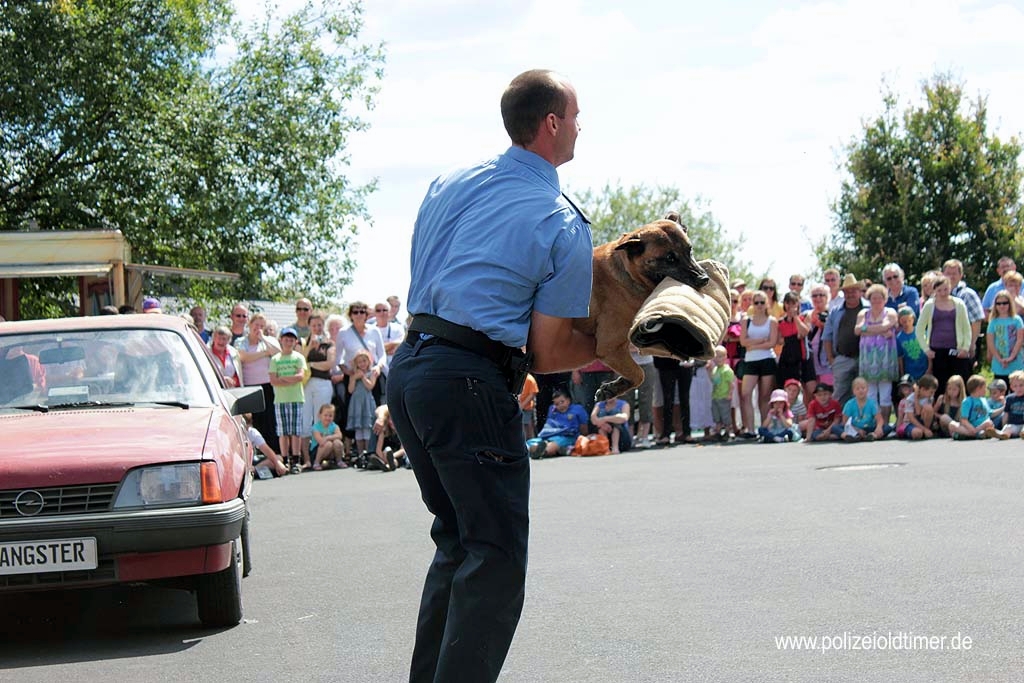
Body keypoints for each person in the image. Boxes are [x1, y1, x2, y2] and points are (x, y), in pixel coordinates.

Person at [385, 70, 594, 683]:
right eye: (577, 116)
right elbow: (550, 349)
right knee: (495, 559)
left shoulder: (448, 182)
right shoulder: (560, 218)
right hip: (467, 383)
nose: (582, 126)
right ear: (551, 124)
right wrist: (623, 340)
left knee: (458, 544)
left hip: (412, 368)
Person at [915, 275, 972, 395]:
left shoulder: (959, 304)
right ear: (934, 290)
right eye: (939, 290)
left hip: (956, 350)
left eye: (945, 289)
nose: (943, 293)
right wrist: (926, 349)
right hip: (937, 350)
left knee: (957, 383)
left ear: (950, 288)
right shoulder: (929, 305)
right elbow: (919, 329)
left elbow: (966, 328)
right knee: (940, 384)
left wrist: (965, 348)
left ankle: (958, 411)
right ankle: (940, 410)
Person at [234, 311, 281, 454]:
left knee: (269, 419)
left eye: (261, 325)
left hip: (267, 386)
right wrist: (264, 353)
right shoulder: (241, 342)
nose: (258, 328)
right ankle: (254, 452)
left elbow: (277, 352)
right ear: (250, 325)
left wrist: (263, 340)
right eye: (256, 325)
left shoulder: (269, 341)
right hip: (249, 386)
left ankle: (272, 452)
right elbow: (243, 357)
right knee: (253, 420)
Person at [854, 283, 899, 424]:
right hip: (868, 358)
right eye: (873, 298)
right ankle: (873, 423)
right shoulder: (863, 313)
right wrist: (880, 329)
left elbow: (887, 324)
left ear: (885, 299)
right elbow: (857, 330)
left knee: (885, 394)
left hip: (885, 358)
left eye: (880, 298)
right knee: (871, 394)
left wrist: (866, 329)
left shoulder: (890, 312)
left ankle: (884, 423)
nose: (876, 301)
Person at [823, 274, 866, 407]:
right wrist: (831, 358)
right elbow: (827, 336)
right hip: (842, 358)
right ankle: (838, 425)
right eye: (847, 291)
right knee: (839, 395)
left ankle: (862, 425)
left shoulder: (869, 308)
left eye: (853, 290)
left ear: (859, 291)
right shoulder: (835, 311)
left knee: (863, 393)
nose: (850, 294)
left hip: (865, 358)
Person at [269, 327, 307, 473]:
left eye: (291, 339)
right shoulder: (275, 359)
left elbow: (300, 376)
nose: (288, 342)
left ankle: (296, 460)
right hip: (280, 399)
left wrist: (283, 378)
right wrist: (288, 380)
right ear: (281, 340)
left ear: (295, 341)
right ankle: (284, 459)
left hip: (296, 398)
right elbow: (273, 380)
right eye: (286, 339)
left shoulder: (298, 357)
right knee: (283, 432)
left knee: (295, 431)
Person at [942, 259, 985, 364]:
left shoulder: (967, 294)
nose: (951, 277)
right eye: (948, 273)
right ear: (943, 275)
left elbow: (976, 321)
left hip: (962, 348)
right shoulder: (939, 295)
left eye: (954, 274)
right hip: (943, 347)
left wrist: (971, 345)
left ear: (961, 275)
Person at [528, 388, 591, 459]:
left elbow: (584, 428)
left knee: (554, 444)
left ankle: (543, 452)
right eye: (557, 404)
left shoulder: (578, 409)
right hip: (551, 435)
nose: (560, 405)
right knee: (530, 442)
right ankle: (536, 449)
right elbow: (549, 425)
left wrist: (581, 440)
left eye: (562, 402)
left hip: (568, 437)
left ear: (568, 400)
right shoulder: (552, 410)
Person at [945, 374, 1007, 439]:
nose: (986, 390)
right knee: (952, 425)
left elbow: (991, 414)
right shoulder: (967, 401)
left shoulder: (984, 400)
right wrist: (972, 429)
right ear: (978, 389)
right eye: (984, 387)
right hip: (970, 427)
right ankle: (976, 434)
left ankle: (969, 435)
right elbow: (964, 420)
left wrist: (1003, 408)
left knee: (989, 423)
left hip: (982, 426)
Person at [985, 291, 1024, 385]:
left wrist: (1011, 357)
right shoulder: (993, 321)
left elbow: (1020, 340)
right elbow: (990, 342)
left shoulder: (1017, 320)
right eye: (998, 303)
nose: (1002, 306)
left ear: (1010, 304)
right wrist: (999, 359)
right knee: (1000, 390)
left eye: (1005, 303)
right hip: (999, 364)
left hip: (1016, 362)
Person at [347, 349, 378, 456]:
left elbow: (370, 386)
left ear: (368, 361)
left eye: (364, 361)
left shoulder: (372, 373)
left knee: (367, 429)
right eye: (359, 362)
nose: (362, 364)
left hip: (367, 403)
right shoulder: (353, 375)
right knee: (359, 431)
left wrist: (363, 377)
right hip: (356, 403)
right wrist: (354, 378)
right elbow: (350, 390)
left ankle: (369, 453)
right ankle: (361, 454)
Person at [841, 376, 888, 441]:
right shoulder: (849, 404)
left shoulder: (872, 403)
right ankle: (849, 436)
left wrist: (879, 427)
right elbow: (845, 422)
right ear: (853, 391)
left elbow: (880, 420)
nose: (861, 390)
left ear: (867, 389)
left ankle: (873, 435)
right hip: (855, 429)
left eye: (863, 388)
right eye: (857, 389)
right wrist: (856, 429)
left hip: (870, 428)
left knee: (887, 428)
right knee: (836, 427)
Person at [895, 374, 937, 440]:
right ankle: (923, 431)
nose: (933, 394)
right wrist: (916, 397)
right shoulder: (909, 399)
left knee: (928, 408)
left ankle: (926, 431)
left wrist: (926, 429)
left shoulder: (929, 398)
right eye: (931, 392)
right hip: (911, 423)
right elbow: (912, 418)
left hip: (922, 421)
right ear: (923, 389)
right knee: (917, 433)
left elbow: (919, 412)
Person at [708, 346, 735, 441]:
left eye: (720, 356)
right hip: (716, 396)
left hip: (724, 397)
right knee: (717, 416)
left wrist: (729, 394)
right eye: (716, 356)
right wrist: (709, 371)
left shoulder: (727, 370)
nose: (718, 359)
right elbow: (713, 381)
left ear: (725, 357)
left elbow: (731, 384)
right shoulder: (715, 369)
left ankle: (728, 432)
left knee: (726, 416)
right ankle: (718, 433)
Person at [895, 307, 929, 381]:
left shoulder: (921, 332)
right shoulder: (899, 338)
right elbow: (900, 358)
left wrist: (930, 368)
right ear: (900, 321)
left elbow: (929, 351)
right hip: (910, 371)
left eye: (909, 320)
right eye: (904, 321)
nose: (907, 323)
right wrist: (902, 374)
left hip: (924, 369)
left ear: (913, 319)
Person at [310, 403, 346, 470]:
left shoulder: (334, 426)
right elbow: (321, 441)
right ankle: (316, 462)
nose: (328, 418)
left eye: (330, 416)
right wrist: (330, 438)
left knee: (338, 443)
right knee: (328, 444)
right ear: (320, 415)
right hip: (317, 451)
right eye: (325, 415)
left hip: (330, 449)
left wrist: (328, 437)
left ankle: (339, 461)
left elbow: (339, 435)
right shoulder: (316, 427)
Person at [998, 370, 1024, 437]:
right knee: (1008, 428)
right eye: (1015, 386)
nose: (1019, 388)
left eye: (1021, 385)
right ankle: (1003, 435)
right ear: (1011, 387)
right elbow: (1006, 413)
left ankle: (1022, 434)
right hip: (1014, 424)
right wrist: (1004, 425)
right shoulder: (1010, 398)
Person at [519, 372, 538, 440]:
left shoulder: (530, 379)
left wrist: (522, 405)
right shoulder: (518, 377)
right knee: (521, 426)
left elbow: (533, 393)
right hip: (518, 407)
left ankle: (532, 442)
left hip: (527, 408)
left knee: (529, 426)